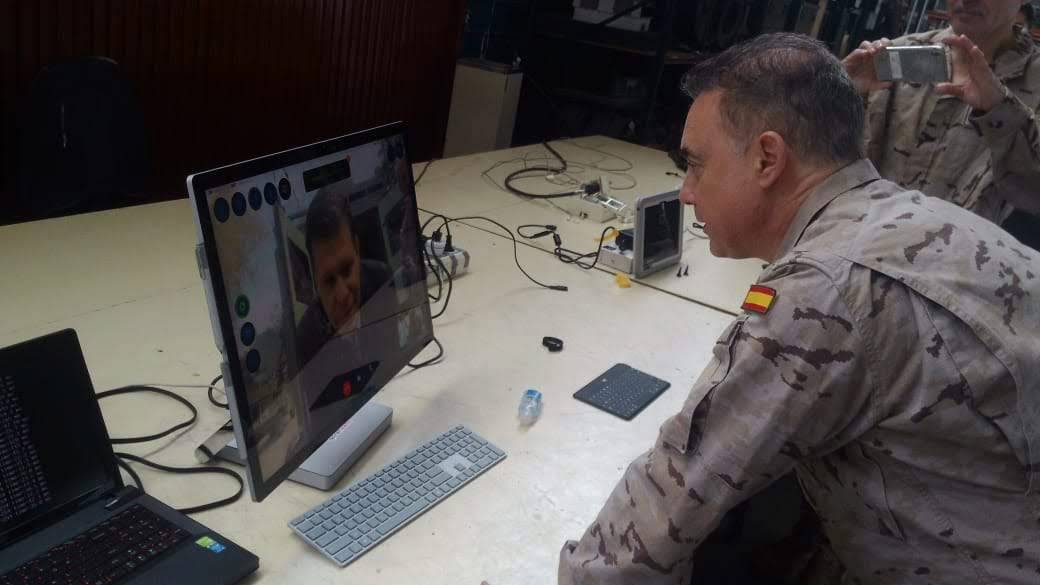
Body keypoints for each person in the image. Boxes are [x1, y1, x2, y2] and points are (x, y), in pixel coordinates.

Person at [558, 32, 1040, 585]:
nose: (686, 192)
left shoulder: (830, 287)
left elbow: (668, 502)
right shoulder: (916, 220)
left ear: (767, 158)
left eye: (695, 165)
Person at [841, 0, 1040, 225]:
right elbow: (825, 159)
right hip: (853, 234)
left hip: (955, 245)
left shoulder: (1034, 82)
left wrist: (1001, 112)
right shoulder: (895, 54)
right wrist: (835, 93)